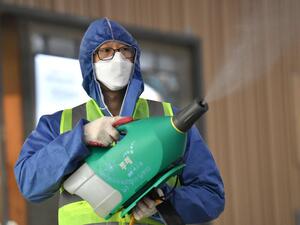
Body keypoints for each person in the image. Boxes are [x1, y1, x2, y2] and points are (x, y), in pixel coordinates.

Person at [14, 18, 225, 225]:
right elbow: (29, 182)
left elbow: (211, 195)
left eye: (125, 51)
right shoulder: (59, 124)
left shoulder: (171, 119)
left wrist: (164, 203)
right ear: (90, 61)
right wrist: (82, 136)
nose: (118, 58)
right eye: (106, 51)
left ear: (135, 59)